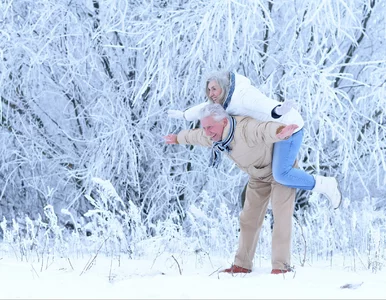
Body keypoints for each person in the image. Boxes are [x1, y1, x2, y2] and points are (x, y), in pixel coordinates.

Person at [167, 70, 341, 209]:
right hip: (268, 133)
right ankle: (273, 198)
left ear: (224, 87)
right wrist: (184, 115)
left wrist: (279, 110)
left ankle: (325, 184)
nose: (211, 93)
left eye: (214, 89)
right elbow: (203, 108)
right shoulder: (222, 103)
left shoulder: (243, 95)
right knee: (262, 166)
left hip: (288, 127)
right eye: (209, 89)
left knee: (282, 173)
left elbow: (262, 103)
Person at [164, 103, 304, 274]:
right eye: (205, 127)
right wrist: (178, 138)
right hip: (259, 175)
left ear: (223, 122)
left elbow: (262, 128)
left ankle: (281, 267)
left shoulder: (243, 128)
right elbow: (197, 136)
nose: (207, 132)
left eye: (210, 127)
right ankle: (242, 265)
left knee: (281, 216)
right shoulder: (213, 134)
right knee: (248, 218)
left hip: (281, 170)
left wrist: (279, 132)